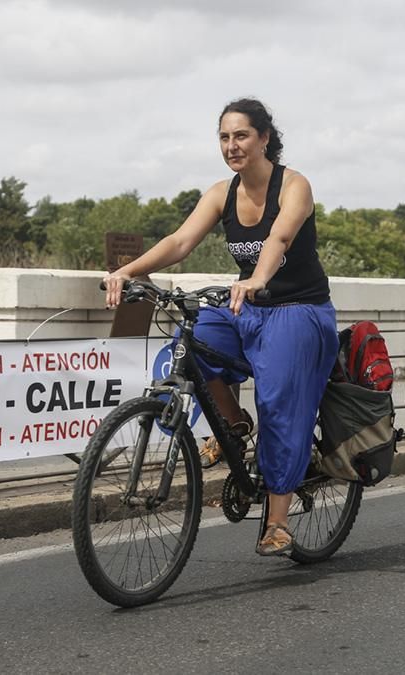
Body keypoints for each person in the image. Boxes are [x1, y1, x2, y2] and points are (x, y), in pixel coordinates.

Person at [103, 98, 338, 556]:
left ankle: (277, 521)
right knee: (191, 344)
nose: (233, 146)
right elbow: (180, 241)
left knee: (279, 404)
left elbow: (280, 237)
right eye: (225, 137)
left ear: (265, 138)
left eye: (242, 136)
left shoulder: (294, 186)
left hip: (298, 310)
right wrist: (128, 271)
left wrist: (257, 278)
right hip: (245, 304)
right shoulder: (220, 193)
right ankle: (233, 425)